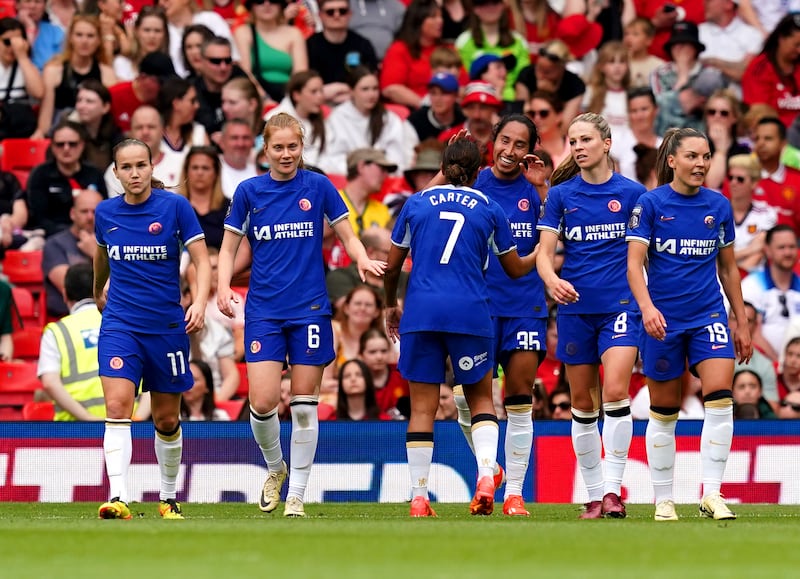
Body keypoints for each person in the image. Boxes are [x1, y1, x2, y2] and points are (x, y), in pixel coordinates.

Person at [216, 112, 385, 518]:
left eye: (293, 146)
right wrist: (222, 286)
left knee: (306, 404)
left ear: (302, 147)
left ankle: (298, 496)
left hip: (310, 309)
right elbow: (226, 249)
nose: (286, 153)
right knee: (262, 402)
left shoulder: (319, 186)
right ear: (265, 149)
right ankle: (277, 468)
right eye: (278, 147)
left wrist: (361, 258)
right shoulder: (248, 192)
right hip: (264, 311)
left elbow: (347, 233)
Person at [383, 136, 540, 518]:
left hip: (421, 312)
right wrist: (546, 250)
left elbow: (391, 266)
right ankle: (487, 473)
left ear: (443, 165)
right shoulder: (490, 206)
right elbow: (516, 268)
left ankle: (419, 499)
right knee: (481, 400)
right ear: (477, 171)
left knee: (422, 408)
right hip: (470, 312)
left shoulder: (416, 202)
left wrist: (390, 304)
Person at [626, 127, 752, 522]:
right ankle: (663, 499)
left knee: (720, 398)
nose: (701, 163)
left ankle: (711, 493)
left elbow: (728, 268)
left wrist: (741, 321)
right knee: (664, 410)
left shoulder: (719, 205)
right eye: (693, 156)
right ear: (672, 161)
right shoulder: (649, 204)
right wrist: (646, 308)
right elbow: (632, 265)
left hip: (708, 316)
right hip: (662, 320)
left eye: (706, 156)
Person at [536, 112, 646, 520]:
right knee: (583, 403)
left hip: (620, 305)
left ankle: (615, 491)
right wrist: (551, 281)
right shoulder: (562, 196)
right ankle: (596, 494)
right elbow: (545, 254)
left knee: (616, 390)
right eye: (572, 141)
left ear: (606, 142)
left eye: (585, 139)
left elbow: (644, 256)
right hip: (575, 309)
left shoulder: (634, 195)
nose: (578, 147)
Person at [94, 138, 211, 521]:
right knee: (116, 407)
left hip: (165, 328)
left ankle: (168, 496)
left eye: (140, 165)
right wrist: (98, 291)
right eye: (125, 167)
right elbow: (101, 255)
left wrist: (199, 300)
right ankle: (119, 497)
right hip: (121, 324)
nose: (134, 173)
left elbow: (201, 259)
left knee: (166, 419)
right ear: (115, 172)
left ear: (151, 166)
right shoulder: (105, 213)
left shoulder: (176, 207)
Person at [36, 263, 105, 421]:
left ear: (65, 294)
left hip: (74, 433)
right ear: (100, 290)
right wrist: (139, 417)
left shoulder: (56, 332)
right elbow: (153, 371)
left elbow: (50, 383)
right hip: (128, 427)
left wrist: (88, 419)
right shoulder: (123, 323)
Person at [32, 15, 117, 140]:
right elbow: (46, 117)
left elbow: (109, 114)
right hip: (62, 134)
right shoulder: (53, 70)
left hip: (95, 136)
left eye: (90, 36)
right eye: (79, 35)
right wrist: (41, 134)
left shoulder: (107, 73)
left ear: (98, 41)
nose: (84, 41)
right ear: (70, 38)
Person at [321, 65, 417, 175]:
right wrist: (362, 173)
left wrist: (377, 172)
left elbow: (398, 158)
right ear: (351, 91)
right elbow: (331, 158)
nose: (371, 94)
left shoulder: (389, 119)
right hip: (350, 178)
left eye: (375, 89)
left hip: (384, 178)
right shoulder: (337, 118)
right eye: (365, 89)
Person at [25, 120, 107, 237]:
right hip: (51, 237)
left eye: (72, 144)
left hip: (92, 235)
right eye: (60, 144)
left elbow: (104, 211)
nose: (66, 148)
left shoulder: (94, 174)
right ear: (52, 147)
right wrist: (70, 235)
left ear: (82, 145)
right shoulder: (40, 174)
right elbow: (39, 218)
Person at [740, 224, 800, 361]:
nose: (788, 253)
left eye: (792, 247)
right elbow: (751, 333)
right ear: (767, 250)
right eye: (781, 247)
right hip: (759, 365)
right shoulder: (752, 285)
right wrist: (780, 363)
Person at [42, 189, 103, 319]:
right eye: (84, 211)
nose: (90, 217)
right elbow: (75, 289)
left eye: (95, 211)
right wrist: (98, 256)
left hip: (107, 317)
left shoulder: (114, 242)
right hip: (67, 317)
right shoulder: (55, 244)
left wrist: (95, 252)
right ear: (72, 214)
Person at [233, 0, 308, 103]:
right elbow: (245, 73)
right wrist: (265, 100)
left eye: (273, 0)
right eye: (260, 1)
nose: (267, 5)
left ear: (281, 5)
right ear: (251, 6)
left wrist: (289, 103)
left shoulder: (294, 34)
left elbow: (300, 75)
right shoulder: (243, 32)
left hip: (289, 98)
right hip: (256, 98)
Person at [305, 0, 378, 105]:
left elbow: (371, 81)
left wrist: (350, 93)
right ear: (320, 15)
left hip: (356, 103)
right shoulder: (309, 45)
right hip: (318, 103)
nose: (336, 15)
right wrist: (322, 92)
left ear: (350, 14)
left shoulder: (363, 44)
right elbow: (303, 83)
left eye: (342, 11)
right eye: (330, 12)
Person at [380, 0, 445, 111]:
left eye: (441, 16)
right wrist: (426, 105)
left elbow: (463, 83)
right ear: (418, 21)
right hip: (414, 112)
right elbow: (391, 89)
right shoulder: (399, 49)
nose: (440, 21)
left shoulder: (447, 49)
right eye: (433, 17)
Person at [742, 13, 800, 129]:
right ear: (781, 38)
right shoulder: (760, 68)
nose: (799, 50)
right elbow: (758, 114)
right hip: (776, 133)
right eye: (797, 45)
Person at [265, 70, 327, 168]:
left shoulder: (322, 120)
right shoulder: (272, 119)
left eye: (321, 91)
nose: (320, 96)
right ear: (296, 95)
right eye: (314, 92)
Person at [728, 154, 777, 274]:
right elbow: (713, 257)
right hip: (718, 278)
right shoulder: (716, 213)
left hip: (753, 279)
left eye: (740, 179)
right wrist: (749, 249)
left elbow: (758, 254)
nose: (733, 183)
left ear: (754, 183)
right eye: (730, 178)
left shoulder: (766, 214)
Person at [358, 327, 408, 418]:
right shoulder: (355, 380)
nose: (379, 356)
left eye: (384, 351)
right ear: (361, 355)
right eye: (372, 352)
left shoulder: (403, 374)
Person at [218, 119, 258, 200]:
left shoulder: (260, 174)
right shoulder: (212, 170)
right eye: (234, 138)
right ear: (222, 142)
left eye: (246, 138)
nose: (240, 143)